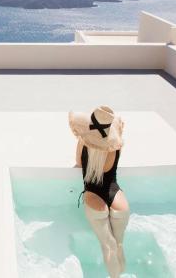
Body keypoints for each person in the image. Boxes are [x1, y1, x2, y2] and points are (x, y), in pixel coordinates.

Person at [69, 106, 130, 278]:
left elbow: (79, 162)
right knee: (118, 244)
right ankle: (122, 272)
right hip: (116, 195)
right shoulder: (115, 144)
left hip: (94, 197)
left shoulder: (84, 141)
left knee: (108, 245)